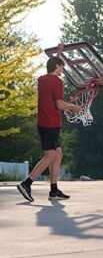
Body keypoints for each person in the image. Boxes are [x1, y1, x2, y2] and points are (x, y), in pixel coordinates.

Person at [17, 43, 81, 202]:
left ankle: (53, 190)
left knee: (58, 154)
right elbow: (59, 104)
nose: (62, 70)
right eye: (61, 67)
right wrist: (74, 107)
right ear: (57, 67)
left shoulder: (42, 79)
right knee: (51, 155)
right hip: (51, 124)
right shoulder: (57, 82)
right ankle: (26, 183)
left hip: (44, 123)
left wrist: (59, 53)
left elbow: (52, 66)